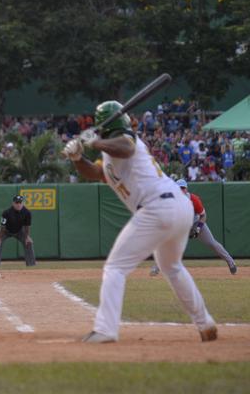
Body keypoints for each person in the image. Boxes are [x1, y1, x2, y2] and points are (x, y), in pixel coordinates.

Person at [62, 100, 216, 343]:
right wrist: (78, 157)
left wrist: (94, 142)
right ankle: (205, 323)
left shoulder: (125, 140)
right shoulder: (109, 153)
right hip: (177, 207)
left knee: (115, 267)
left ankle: (105, 330)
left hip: (158, 207)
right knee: (172, 267)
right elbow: (95, 172)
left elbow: (126, 147)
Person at [150, 179, 237, 276]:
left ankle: (231, 262)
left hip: (196, 223)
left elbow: (203, 215)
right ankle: (156, 267)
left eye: (183, 188)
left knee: (212, 243)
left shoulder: (194, 199)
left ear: (186, 189)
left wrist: (199, 228)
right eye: (179, 188)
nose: (181, 190)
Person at [0, 195, 35, 267]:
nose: (18, 204)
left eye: (20, 202)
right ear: (13, 203)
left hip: (20, 231)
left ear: (23, 203)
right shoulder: (6, 212)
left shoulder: (27, 212)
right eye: (16, 203)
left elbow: (27, 227)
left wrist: (27, 237)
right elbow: (2, 226)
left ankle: (31, 264)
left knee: (29, 242)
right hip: (6, 231)